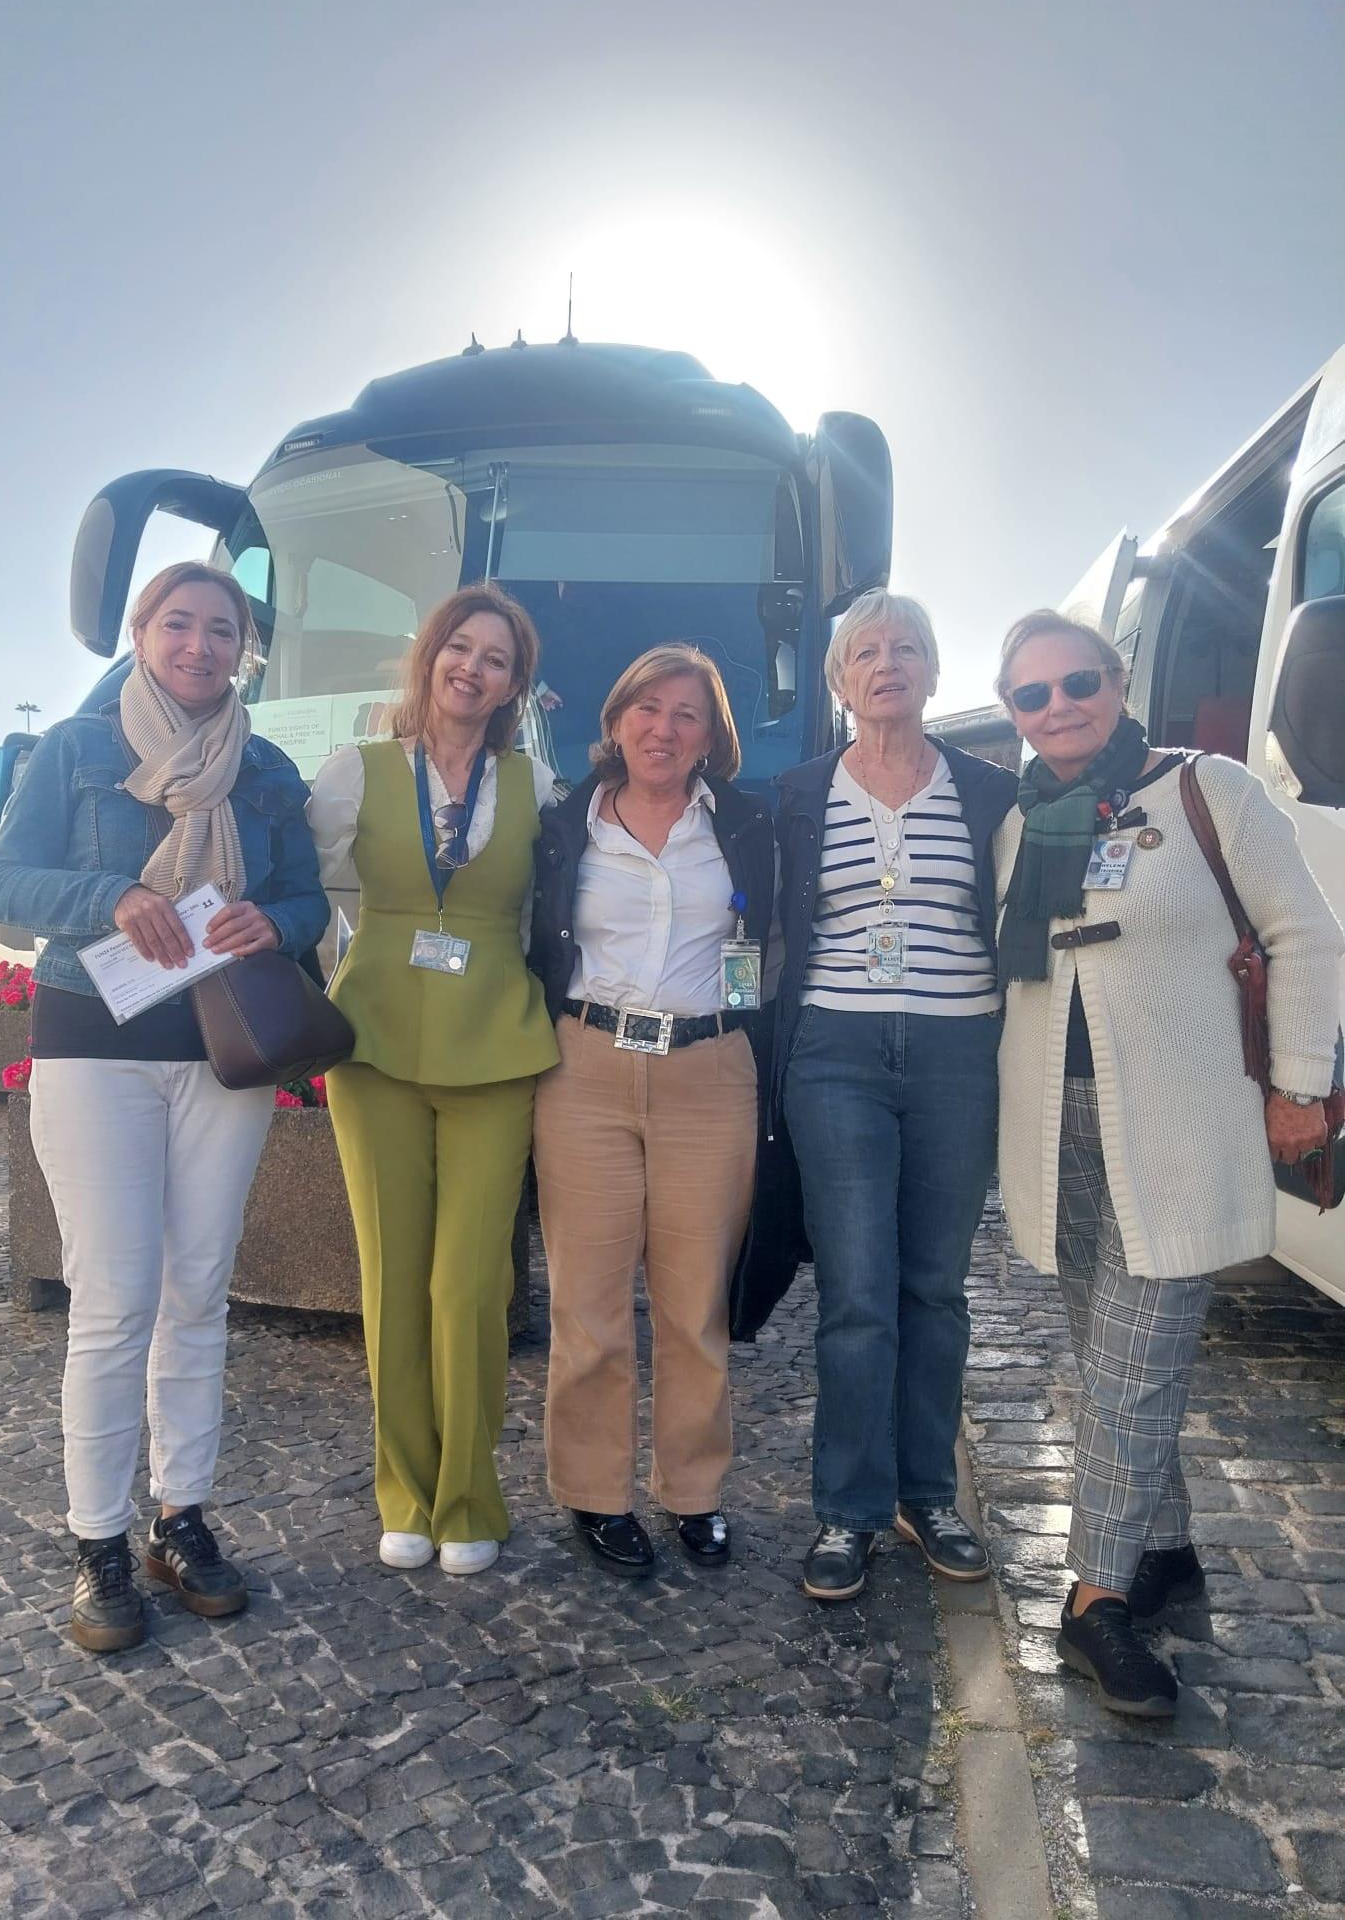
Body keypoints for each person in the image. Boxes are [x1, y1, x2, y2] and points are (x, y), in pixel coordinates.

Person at [993, 609, 1343, 1717]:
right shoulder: (1018, 821)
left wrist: (1296, 1084)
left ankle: (1095, 1601)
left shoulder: (1210, 789)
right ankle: (1168, 1550)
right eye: (1032, 695)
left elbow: (1308, 935)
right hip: (1060, 1125)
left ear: (1120, 676)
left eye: (1077, 681)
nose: (1059, 707)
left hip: (1180, 1127)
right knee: (1108, 1356)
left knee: (1130, 1375)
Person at [0, 561, 328, 1653]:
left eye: (221, 630)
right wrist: (113, 898)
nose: (199, 645)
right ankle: (97, 1543)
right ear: (140, 634)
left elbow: (309, 895)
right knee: (113, 1298)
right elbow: (4, 883)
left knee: (197, 1293)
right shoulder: (77, 750)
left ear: (244, 649)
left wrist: (273, 923)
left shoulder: (266, 768)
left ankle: (182, 1518)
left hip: (223, 1052)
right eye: (178, 624)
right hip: (95, 1044)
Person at [772, 590, 1017, 1603]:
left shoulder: (992, 791)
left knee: (936, 1288)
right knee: (860, 1289)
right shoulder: (795, 795)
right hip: (835, 1054)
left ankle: (929, 1493)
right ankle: (849, 1507)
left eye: (907, 647)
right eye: (866, 651)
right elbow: (762, 932)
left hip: (961, 1049)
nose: (888, 663)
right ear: (839, 680)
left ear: (931, 671)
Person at [309, 583, 557, 1578]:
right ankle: (405, 1492)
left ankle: (470, 1494)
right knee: (392, 1278)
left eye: (497, 657)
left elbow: (556, 910)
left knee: (469, 1284)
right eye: (462, 646)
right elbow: (316, 889)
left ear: (513, 684)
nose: (474, 667)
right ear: (432, 655)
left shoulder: (538, 788)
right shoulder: (357, 772)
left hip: (496, 1043)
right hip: (372, 1047)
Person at [528, 645, 774, 1576]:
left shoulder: (749, 827)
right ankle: (594, 1492)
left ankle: (694, 1492)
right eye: (648, 708)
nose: (663, 729)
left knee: (692, 1303)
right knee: (587, 1302)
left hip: (708, 1071)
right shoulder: (563, 827)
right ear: (617, 718)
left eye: (687, 715)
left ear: (711, 739)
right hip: (584, 1067)